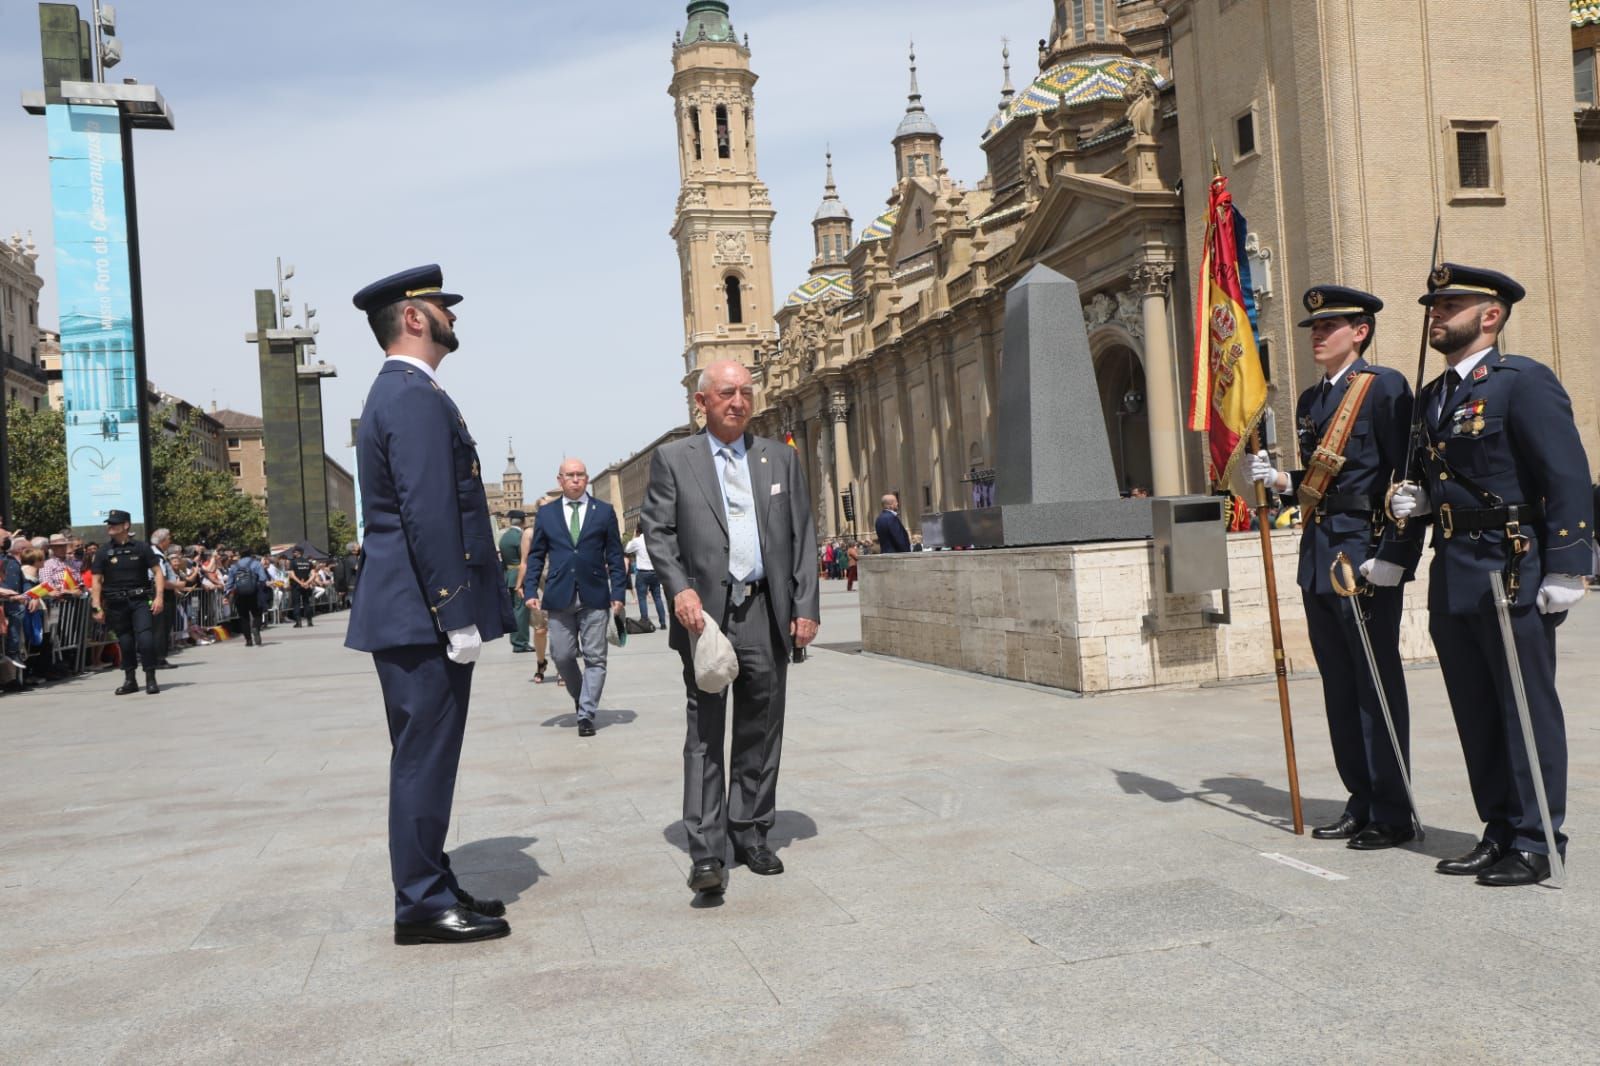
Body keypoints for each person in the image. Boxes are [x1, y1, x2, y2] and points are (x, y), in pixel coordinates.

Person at [1383, 264, 1594, 887]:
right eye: (1433, 305)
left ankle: (1536, 838)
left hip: (1512, 566)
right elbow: (1435, 479)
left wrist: (1568, 564)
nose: (1436, 314)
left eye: (1450, 305)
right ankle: (1498, 828)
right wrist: (1413, 510)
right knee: (1475, 710)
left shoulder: (1521, 382)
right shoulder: (1432, 397)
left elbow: (1567, 475)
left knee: (1524, 707)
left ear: (1491, 315)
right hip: (1455, 571)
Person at [347, 264, 515, 944]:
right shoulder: (412, 395)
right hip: (421, 612)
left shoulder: (404, 392)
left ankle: (431, 880)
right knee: (424, 758)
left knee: (426, 756)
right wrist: (456, 611)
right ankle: (419, 903)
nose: (454, 316)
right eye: (443, 307)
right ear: (414, 317)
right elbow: (429, 513)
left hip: (410, 610)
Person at [1249, 285, 1421, 850]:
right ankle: (1361, 798)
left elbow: (1406, 475)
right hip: (1319, 555)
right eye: (1314, 329)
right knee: (1339, 687)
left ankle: (1392, 810)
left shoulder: (1383, 387)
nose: (1318, 336)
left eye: (1331, 327)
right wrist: (1281, 482)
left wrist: (1395, 553)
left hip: (1363, 556)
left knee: (1374, 683)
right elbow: (1317, 486)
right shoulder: (1309, 400)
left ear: (1360, 331)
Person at [642, 359, 820, 897]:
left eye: (746, 391)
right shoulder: (674, 460)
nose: (738, 401)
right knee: (705, 736)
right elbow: (658, 530)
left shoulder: (780, 459)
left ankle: (751, 832)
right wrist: (680, 588)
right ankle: (706, 851)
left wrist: (805, 604)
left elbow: (803, 533)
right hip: (708, 623)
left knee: (761, 730)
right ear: (703, 402)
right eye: (726, 392)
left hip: (766, 612)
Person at [523, 459, 627, 738]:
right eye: (570, 475)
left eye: (580, 475)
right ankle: (583, 697)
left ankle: (586, 713)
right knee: (562, 655)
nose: (575, 479)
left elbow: (615, 556)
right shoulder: (547, 515)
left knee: (596, 658)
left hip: (595, 595)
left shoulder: (603, 512)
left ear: (587, 478)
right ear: (560, 480)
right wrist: (530, 589)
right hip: (559, 596)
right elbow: (536, 556)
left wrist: (618, 592)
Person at [89, 510, 165, 696]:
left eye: (115, 523)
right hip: (116, 603)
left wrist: (159, 597)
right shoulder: (103, 551)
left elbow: (157, 572)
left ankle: (150, 678)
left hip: (139, 600)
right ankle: (130, 679)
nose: (110, 526)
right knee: (125, 642)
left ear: (126, 525)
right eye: (109, 523)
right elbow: (96, 581)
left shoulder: (141, 548)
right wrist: (96, 606)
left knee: (146, 639)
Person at [516, 490, 561, 683]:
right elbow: (524, 562)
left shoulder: (563, 529)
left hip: (559, 583)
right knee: (540, 629)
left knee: (561, 628)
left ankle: (562, 667)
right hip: (538, 584)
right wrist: (520, 585)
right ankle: (541, 663)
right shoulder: (530, 533)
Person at [499, 511, 532, 653]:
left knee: (515, 610)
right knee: (521, 612)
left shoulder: (505, 537)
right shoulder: (520, 537)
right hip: (520, 576)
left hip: (509, 576)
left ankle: (516, 641)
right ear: (523, 521)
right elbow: (525, 558)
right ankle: (520, 643)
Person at [226, 547, 271, 647]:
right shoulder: (256, 563)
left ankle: (248, 640)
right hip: (254, 593)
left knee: (244, 617)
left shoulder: (235, 566)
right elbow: (263, 578)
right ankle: (255, 628)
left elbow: (230, 582)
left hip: (240, 594)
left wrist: (227, 593)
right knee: (258, 613)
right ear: (251, 554)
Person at [626, 524, 667, 629]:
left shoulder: (637, 541)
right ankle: (663, 623)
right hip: (655, 572)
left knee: (642, 598)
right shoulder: (654, 539)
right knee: (657, 598)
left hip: (643, 573)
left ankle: (645, 620)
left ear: (638, 531)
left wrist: (634, 536)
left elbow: (627, 549)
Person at [287, 546, 316, 628]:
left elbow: (292, 575)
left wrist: (300, 582)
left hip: (296, 585)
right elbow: (313, 575)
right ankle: (309, 621)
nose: (293, 553)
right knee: (307, 602)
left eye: (294, 552)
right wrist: (307, 582)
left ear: (299, 552)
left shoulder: (293, 562)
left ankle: (298, 622)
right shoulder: (308, 562)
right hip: (306, 585)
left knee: (296, 603)